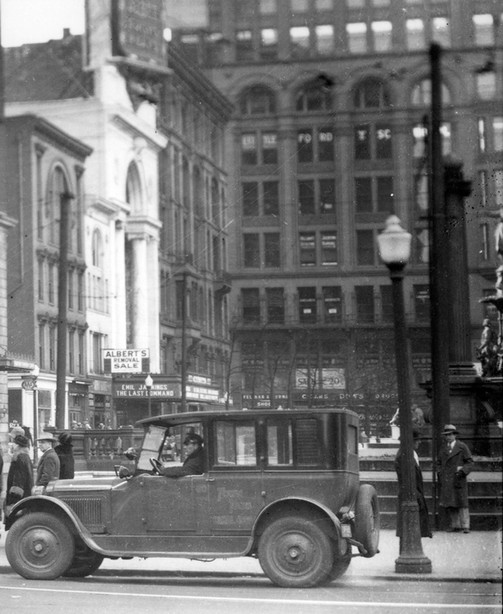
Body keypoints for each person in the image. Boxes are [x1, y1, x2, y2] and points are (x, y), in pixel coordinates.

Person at [394, 430, 432, 538]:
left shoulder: (411, 453)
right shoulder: (404, 455)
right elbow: (406, 478)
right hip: (410, 491)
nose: (419, 442)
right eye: (417, 440)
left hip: (414, 490)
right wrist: (416, 493)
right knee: (410, 525)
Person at [436, 424, 473, 533]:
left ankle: (465, 525)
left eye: (450, 434)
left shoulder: (462, 447)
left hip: (458, 478)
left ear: (455, 435)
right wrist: (440, 472)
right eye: (446, 435)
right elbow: (438, 463)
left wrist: (463, 471)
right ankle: (455, 525)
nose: (448, 437)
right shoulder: (443, 448)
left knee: (462, 503)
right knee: (450, 503)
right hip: (447, 480)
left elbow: (470, 462)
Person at [4, 434, 33, 521]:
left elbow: (18, 482)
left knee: (17, 523)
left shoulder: (19, 458)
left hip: (18, 499)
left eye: (13, 443)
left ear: (17, 445)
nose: (11, 445)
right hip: (25, 495)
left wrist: (13, 501)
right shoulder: (25, 457)